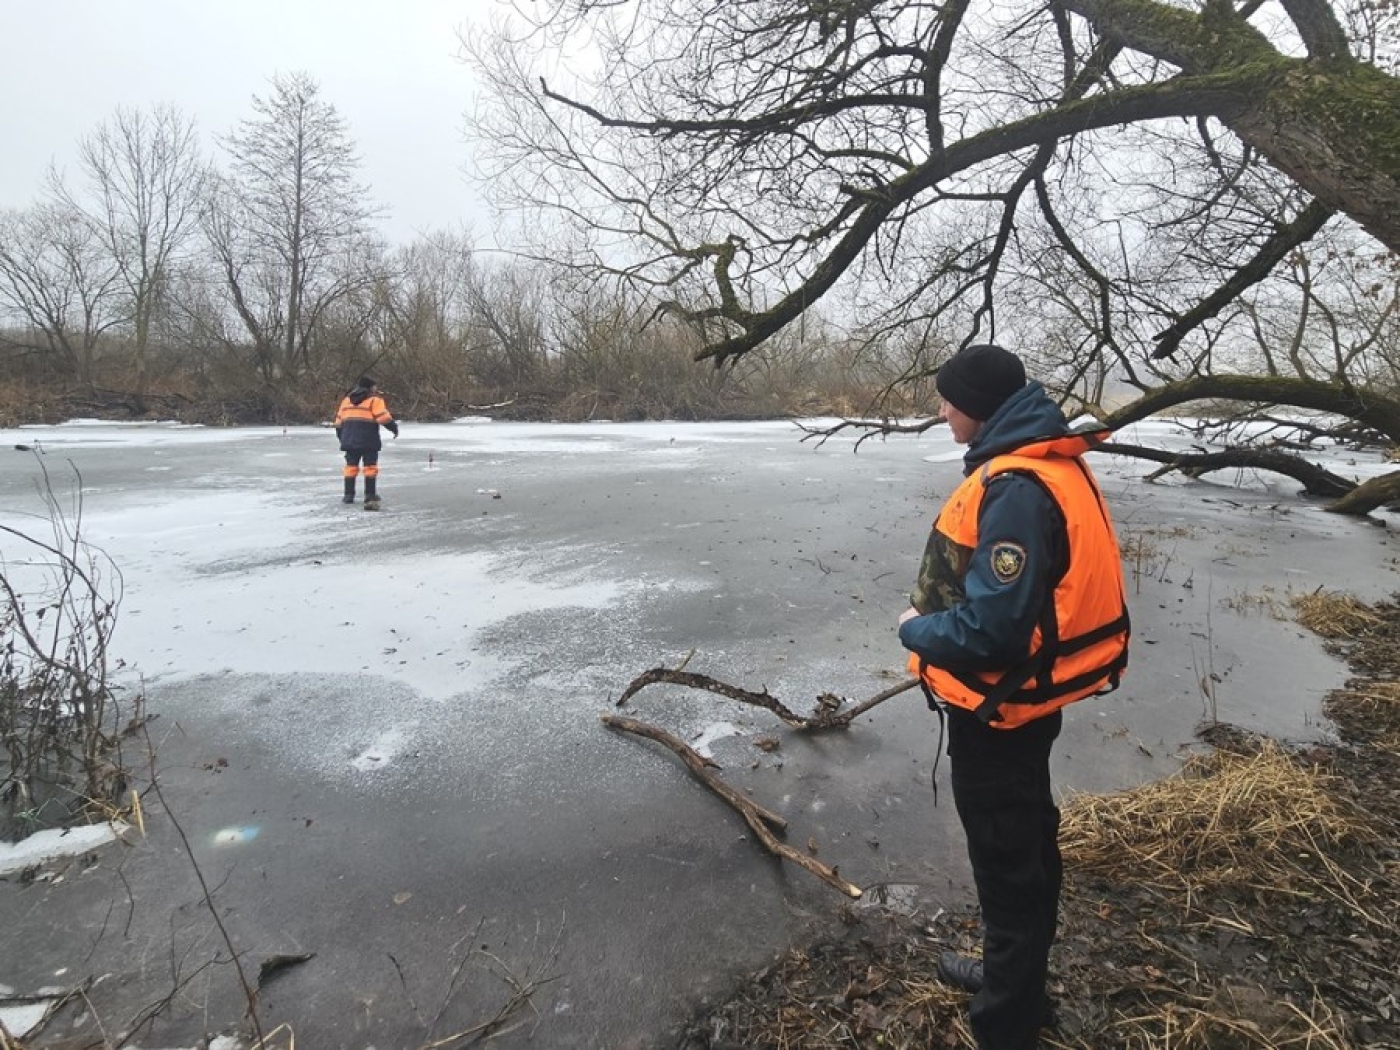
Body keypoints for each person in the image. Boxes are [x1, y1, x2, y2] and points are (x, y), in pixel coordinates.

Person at [897, 344, 1130, 1050]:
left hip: (999, 713)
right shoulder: (1036, 465)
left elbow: (992, 632)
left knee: (1007, 862)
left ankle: (1007, 1023)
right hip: (1022, 707)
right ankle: (1015, 980)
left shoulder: (1019, 490)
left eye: (950, 401)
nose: (942, 412)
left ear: (982, 407)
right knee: (1025, 846)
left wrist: (916, 630)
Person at [334, 376, 398, 510]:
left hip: (349, 440)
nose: (376, 389)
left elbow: (339, 423)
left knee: (350, 467)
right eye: (374, 386)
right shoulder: (374, 400)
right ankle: (370, 495)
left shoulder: (346, 400)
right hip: (368, 440)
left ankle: (348, 495)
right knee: (370, 467)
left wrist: (342, 438)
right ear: (370, 388)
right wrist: (394, 429)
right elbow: (384, 418)